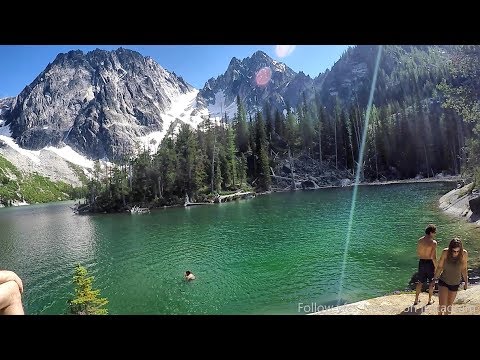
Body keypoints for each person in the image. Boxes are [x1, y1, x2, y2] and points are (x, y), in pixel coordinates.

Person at [434, 238, 468, 315]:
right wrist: (434, 279)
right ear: (450, 249)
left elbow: (464, 268)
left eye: (457, 251)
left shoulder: (464, 254)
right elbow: (440, 267)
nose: (455, 253)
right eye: (453, 251)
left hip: (455, 283)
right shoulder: (445, 252)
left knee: (449, 306)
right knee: (442, 304)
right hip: (444, 281)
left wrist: (466, 281)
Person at [414, 224, 437, 306]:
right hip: (429, 263)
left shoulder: (420, 240)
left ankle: (416, 299)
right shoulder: (433, 242)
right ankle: (429, 300)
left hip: (421, 262)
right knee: (431, 282)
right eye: (434, 232)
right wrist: (437, 267)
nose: (435, 234)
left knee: (420, 281)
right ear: (431, 232)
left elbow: (418, 253)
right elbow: (433, 257)